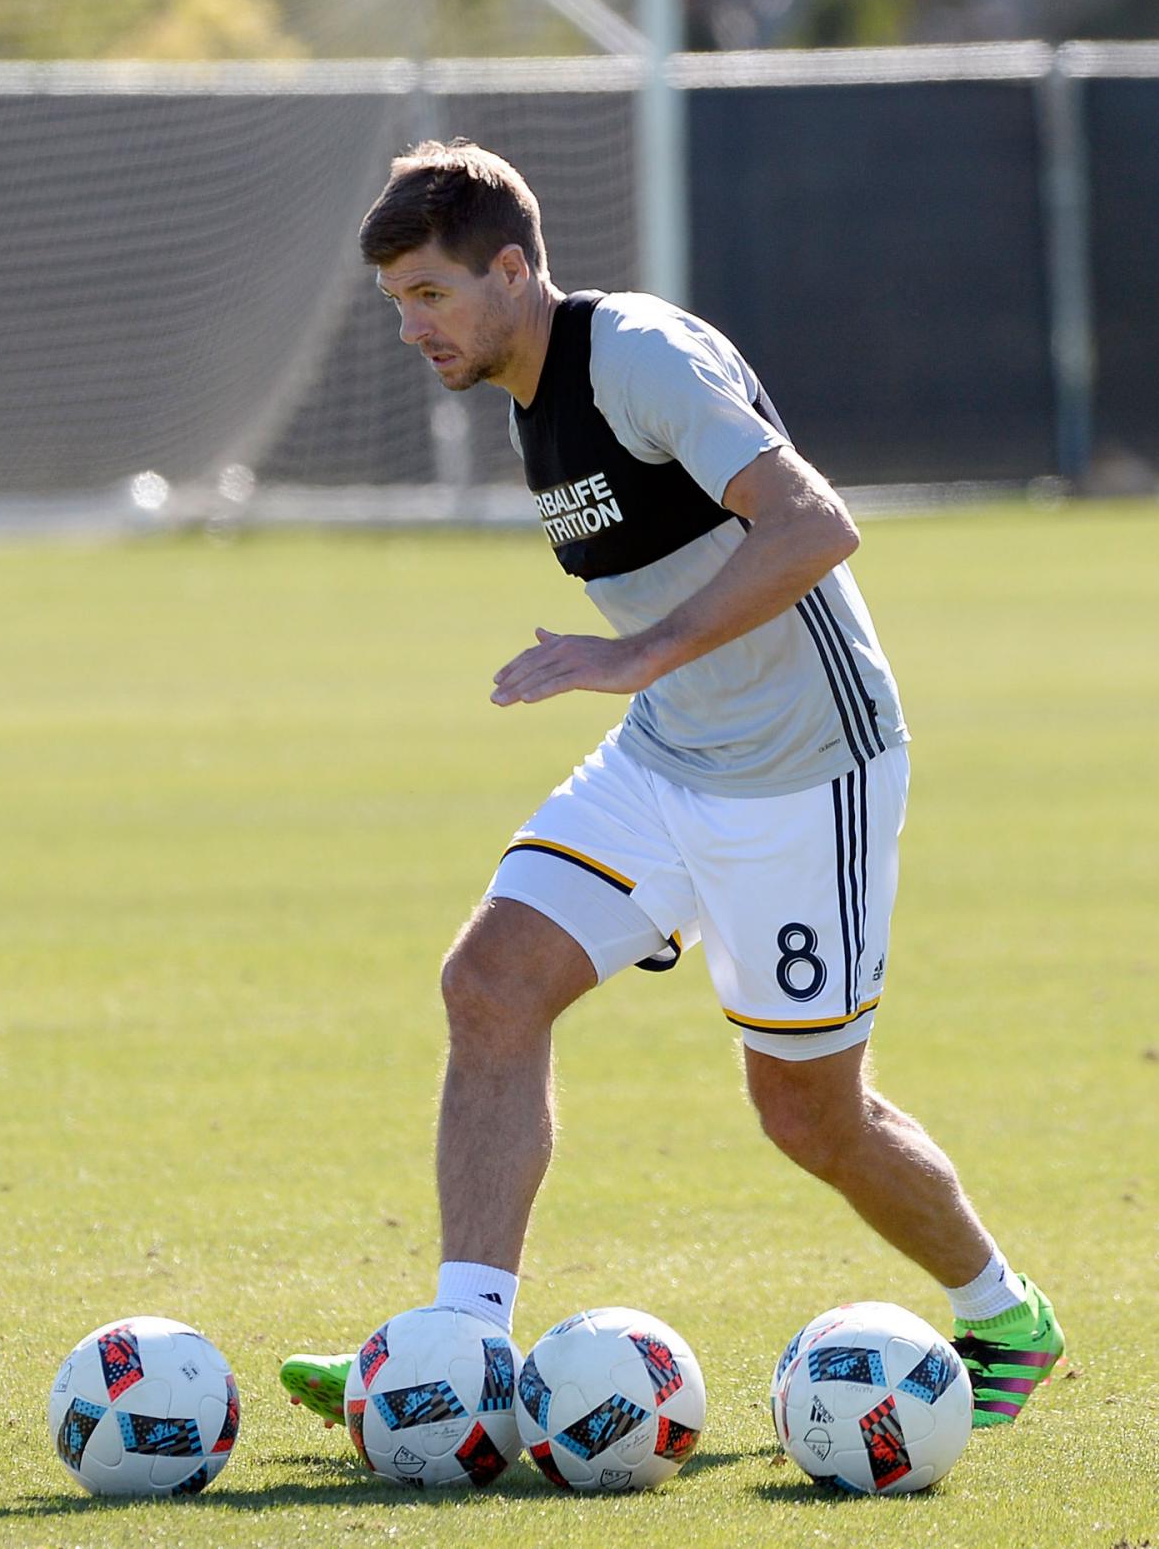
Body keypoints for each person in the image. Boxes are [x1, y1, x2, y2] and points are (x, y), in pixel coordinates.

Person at [279, 140, 1062, 1437]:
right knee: (489, 985)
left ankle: (1003, 1316)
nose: (411, 327)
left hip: (807, 773)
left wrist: (635, 653)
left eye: (429, 295)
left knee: (809, 1115)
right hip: (667, 756)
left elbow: (814, 524)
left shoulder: (635, 353)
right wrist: (649, 678)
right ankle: (461, 1359)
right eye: (396, 304)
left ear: (514, 270)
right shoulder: (522, 379)